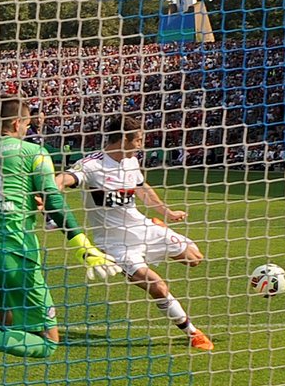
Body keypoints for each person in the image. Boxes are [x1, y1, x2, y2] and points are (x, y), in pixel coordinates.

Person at [0, 95, 121, 386]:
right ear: (19, 123)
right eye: (28, 123)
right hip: (17, 251)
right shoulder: (34, 152)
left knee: (3, 325)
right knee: (47, 342)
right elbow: (54, 203)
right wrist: (83, 246)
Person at [55, 115, 214, 351]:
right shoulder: (92, 165)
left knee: (194, 258)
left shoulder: (132, 161)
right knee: (157, 286)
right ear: (123, 140)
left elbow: (142, 188)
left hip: (143, 228)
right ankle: (193, 333)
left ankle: (157, 227)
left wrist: (166, 212)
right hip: (115, 244)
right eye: (138, 140)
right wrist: (49, 191)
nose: (141, 144)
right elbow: (65, 178)